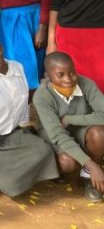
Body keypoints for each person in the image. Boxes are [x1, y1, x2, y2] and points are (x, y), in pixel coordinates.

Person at [0, 36, 58, 198]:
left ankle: (5, 172)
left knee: (45, 150)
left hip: (16, 134)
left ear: (1, 47)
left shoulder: (17, 67)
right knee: (9, 183)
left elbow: (24, 101)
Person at [34, 52, 104, 201]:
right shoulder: (41, 96)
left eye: (72, 72)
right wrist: (91, 164)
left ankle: (87, 177)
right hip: (56, 137)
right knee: (68, 163)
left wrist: (70, 119)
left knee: (99, 134)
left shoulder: (86, 84)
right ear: (48, 76)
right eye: (60, 75)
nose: (69, 79)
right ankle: (84, 169)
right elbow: (58, 135)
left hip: (80, 131)